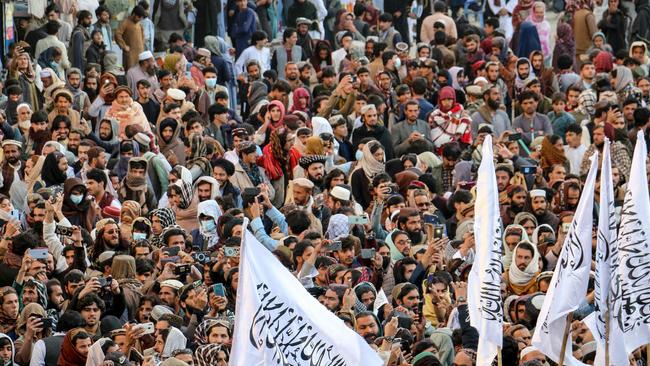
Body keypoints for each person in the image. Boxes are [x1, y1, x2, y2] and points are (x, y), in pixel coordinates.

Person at [115, 6, 146, 71]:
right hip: (130, 55)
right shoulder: (125, 22)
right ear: (134, 14)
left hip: (140, 54)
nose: (140, 19)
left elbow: (143, 37)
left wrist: (142, 47)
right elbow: (117, 34)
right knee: (130, 73)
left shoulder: (139, 24)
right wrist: (124, 46)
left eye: (141, 17)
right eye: (139, 17)